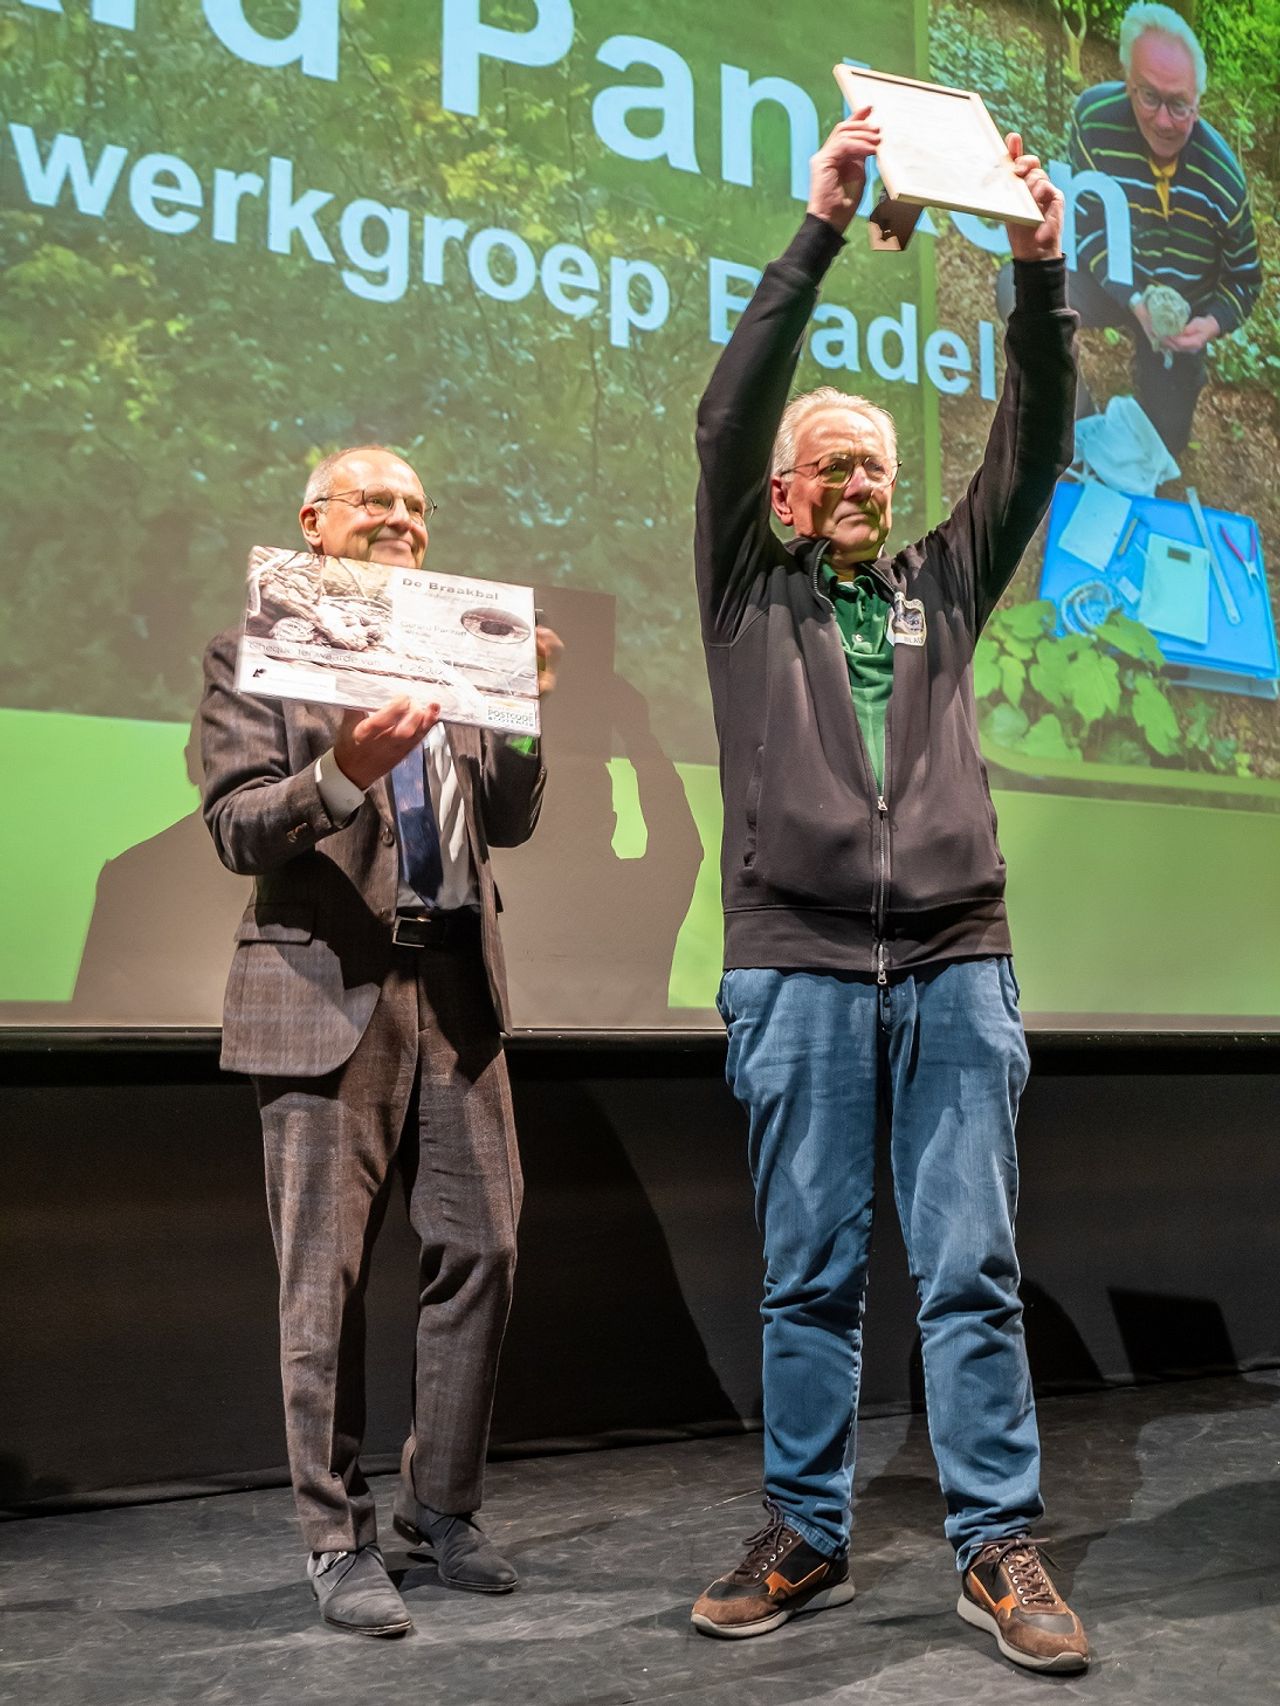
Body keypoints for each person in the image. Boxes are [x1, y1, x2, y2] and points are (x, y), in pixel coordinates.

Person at [690, 112, 1090, 1674]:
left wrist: (1040, 275)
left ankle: (998, 1544)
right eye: (832, 464)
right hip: (792, 959)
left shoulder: (939, 580)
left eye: (876, 463)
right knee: (810, 1270)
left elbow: (1035, 441)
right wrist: (819, 228)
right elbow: (730, 417)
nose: (861, 480)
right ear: (787, 494)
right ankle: (809, 1531)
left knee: (972, 1266)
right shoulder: (745, 585)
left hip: (954, 960)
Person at [199, 445, 561, 1638]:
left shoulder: (453, 641)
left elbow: (503, 816)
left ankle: (439, 1508)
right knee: (325, 1282)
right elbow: (237, 824)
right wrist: (342, 773)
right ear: (314, 523)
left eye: (417, 503)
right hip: (324, 982)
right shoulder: (261, 648)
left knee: (486, 1247)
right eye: (377, 502)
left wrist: (520, 710)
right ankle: (332, 1536)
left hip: (457, 981)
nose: (403, 518)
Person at [1000, 2, 1260, 457]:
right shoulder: (1095, 118)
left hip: (1184, 313)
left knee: (1162, 445)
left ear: (1198, 100)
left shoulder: (1224, 178)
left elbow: (1245, 279)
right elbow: (1092, 225)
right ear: (1127, 81)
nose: (1163, 120)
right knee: (1018, 286)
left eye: (1179, 104)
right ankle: (1072, 422)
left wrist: (1209, 325)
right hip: (1109, 281)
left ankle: (1152, 430)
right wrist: (1134, 300)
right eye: (1147, 96)